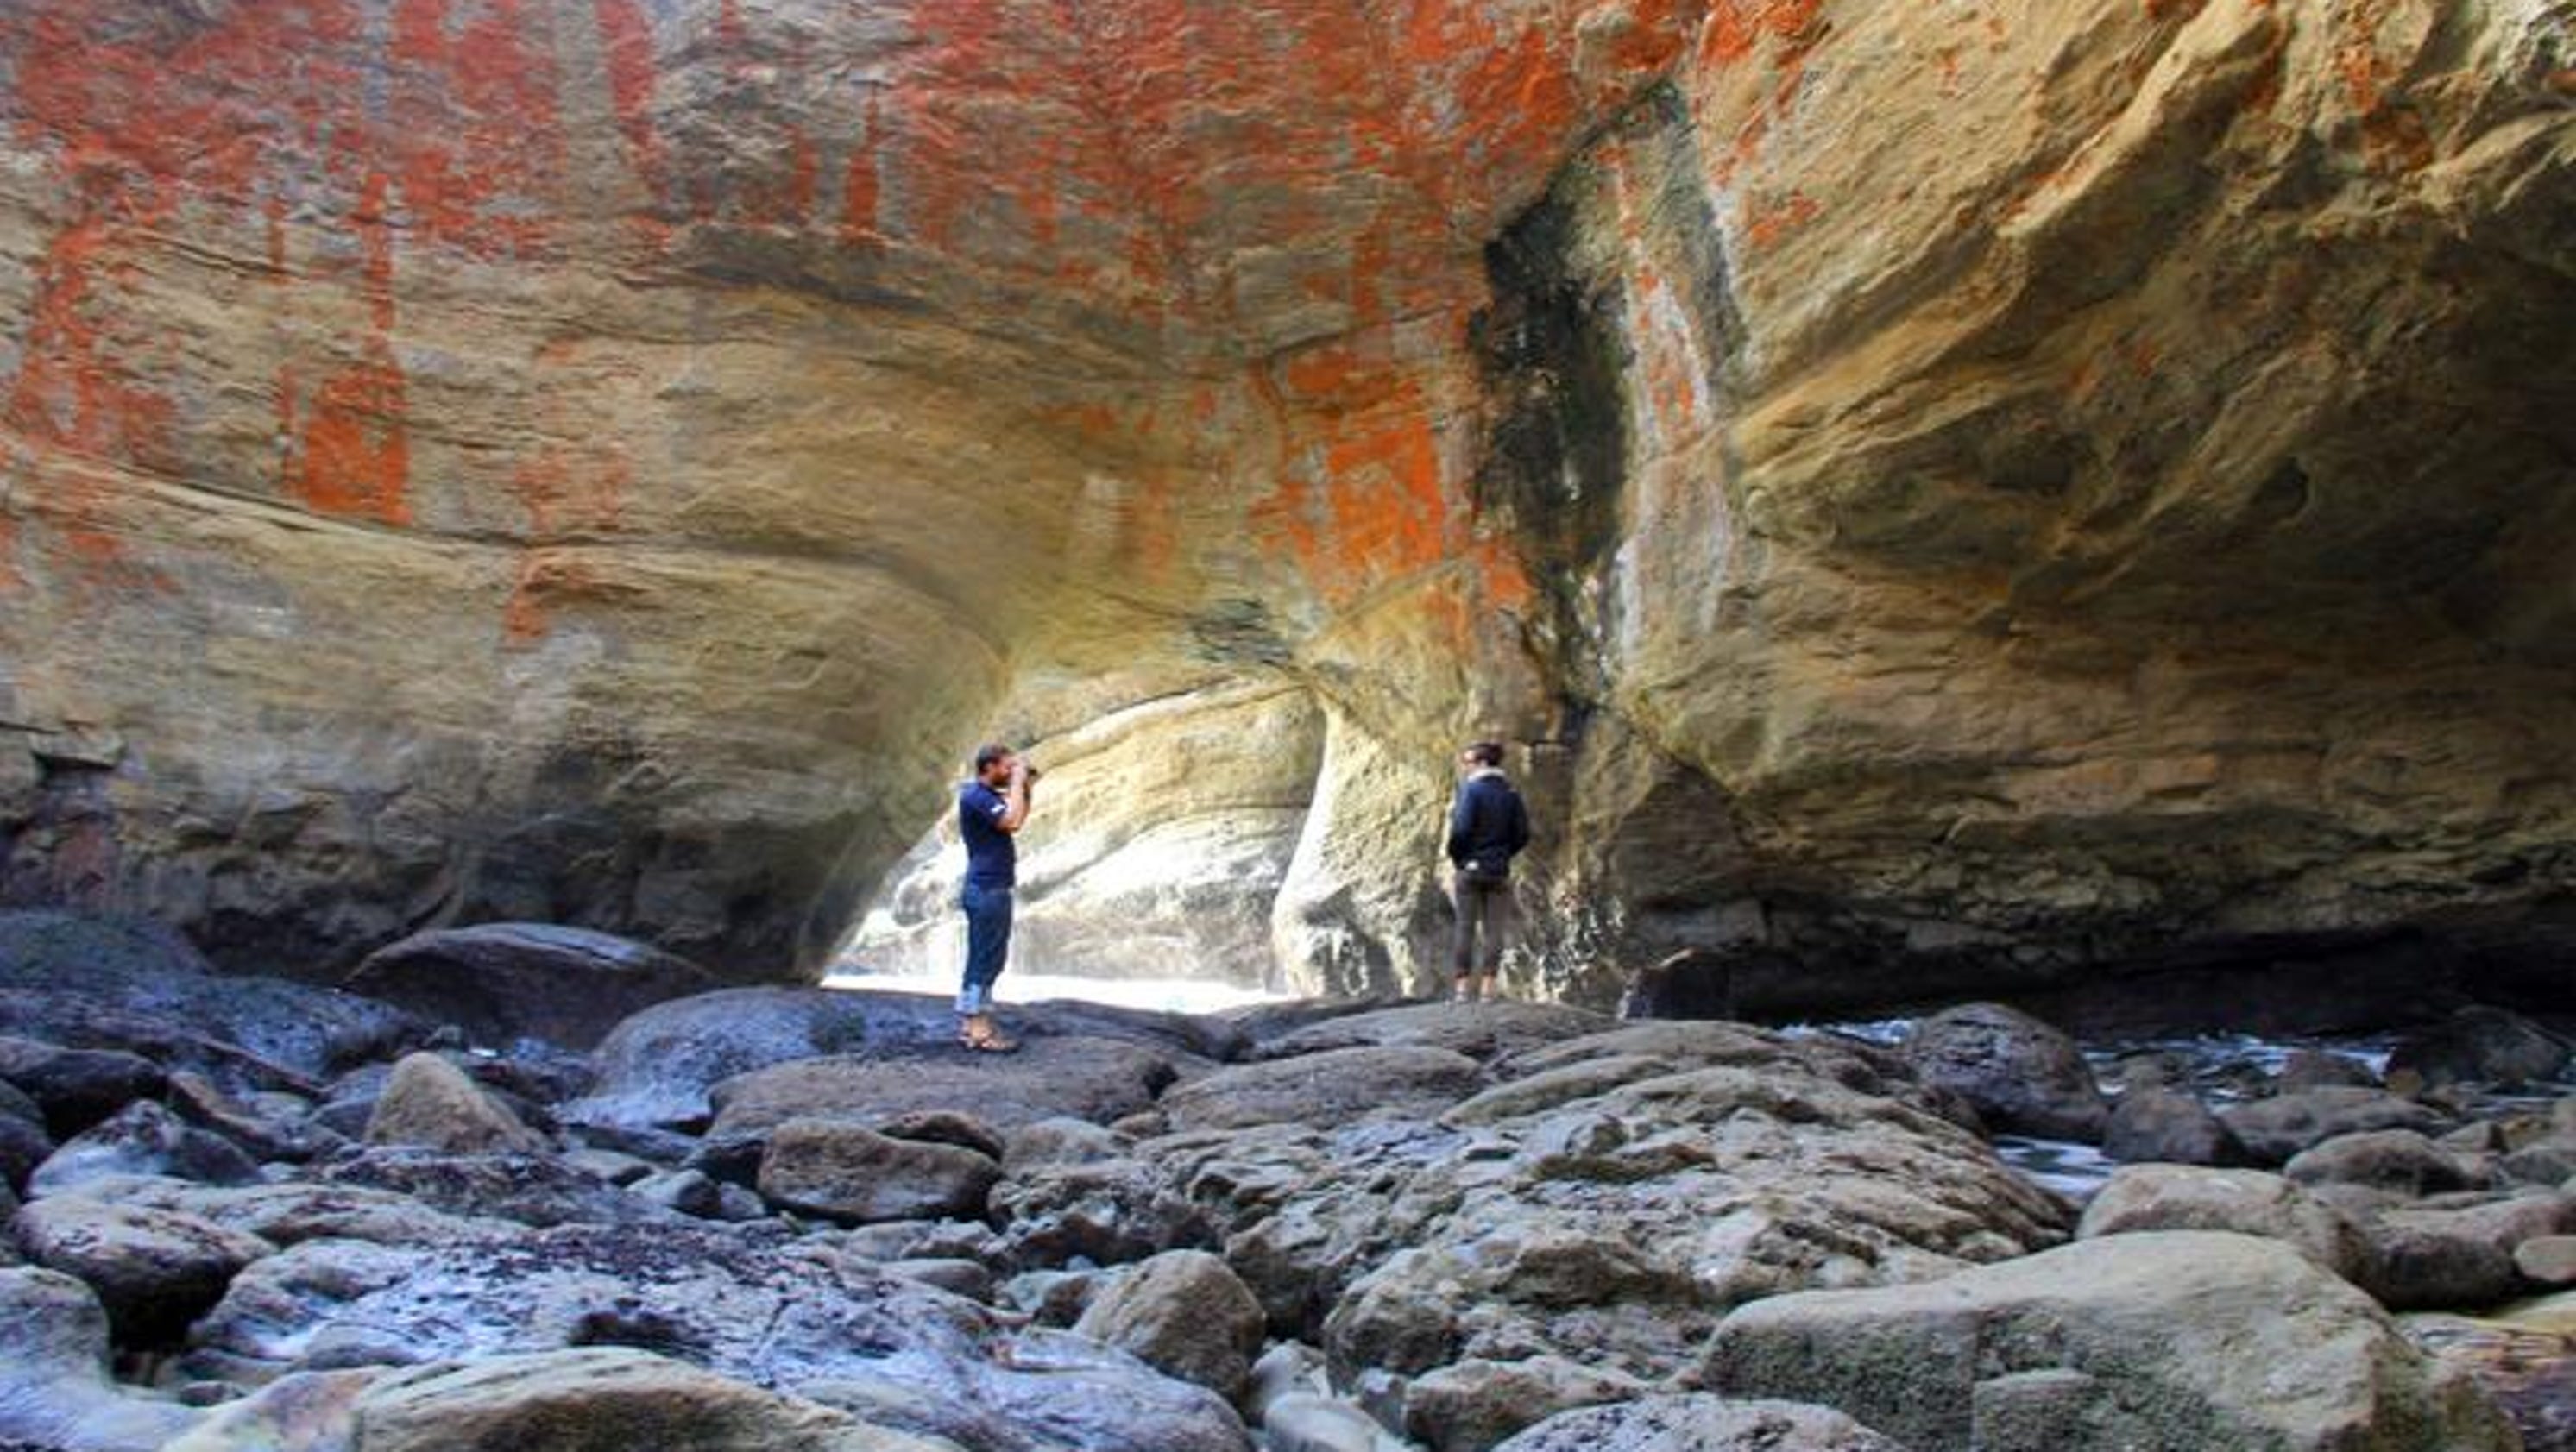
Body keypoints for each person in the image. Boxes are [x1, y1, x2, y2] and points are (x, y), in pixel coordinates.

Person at [955, 742, 1036, 1051]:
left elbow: (1018, 818)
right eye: (1006, 766)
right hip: (987, 888)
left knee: (983, 957)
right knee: (986, 959)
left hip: (990, 886)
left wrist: (1025, 787)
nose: (1009, 772)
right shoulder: (975, 796)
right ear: (988, 767)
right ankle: (980, 1030)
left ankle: (969, 1026)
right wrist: (1017, 782)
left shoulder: (987, 797)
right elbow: (1011, 821)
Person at [1444, 739, 1530, 1003]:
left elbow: (1461, 831)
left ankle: (1461, 989)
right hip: (1498, 870)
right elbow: (1523, 834)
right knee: (1495, 930)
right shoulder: (1511, 793)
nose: (1465, 767)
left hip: (1470, 869)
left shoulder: (1471, 790)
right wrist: (1504, 855)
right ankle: (1488, 989)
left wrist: (1459, 859)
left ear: (1482, 763)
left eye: (1468, 762)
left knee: (1465, 927)